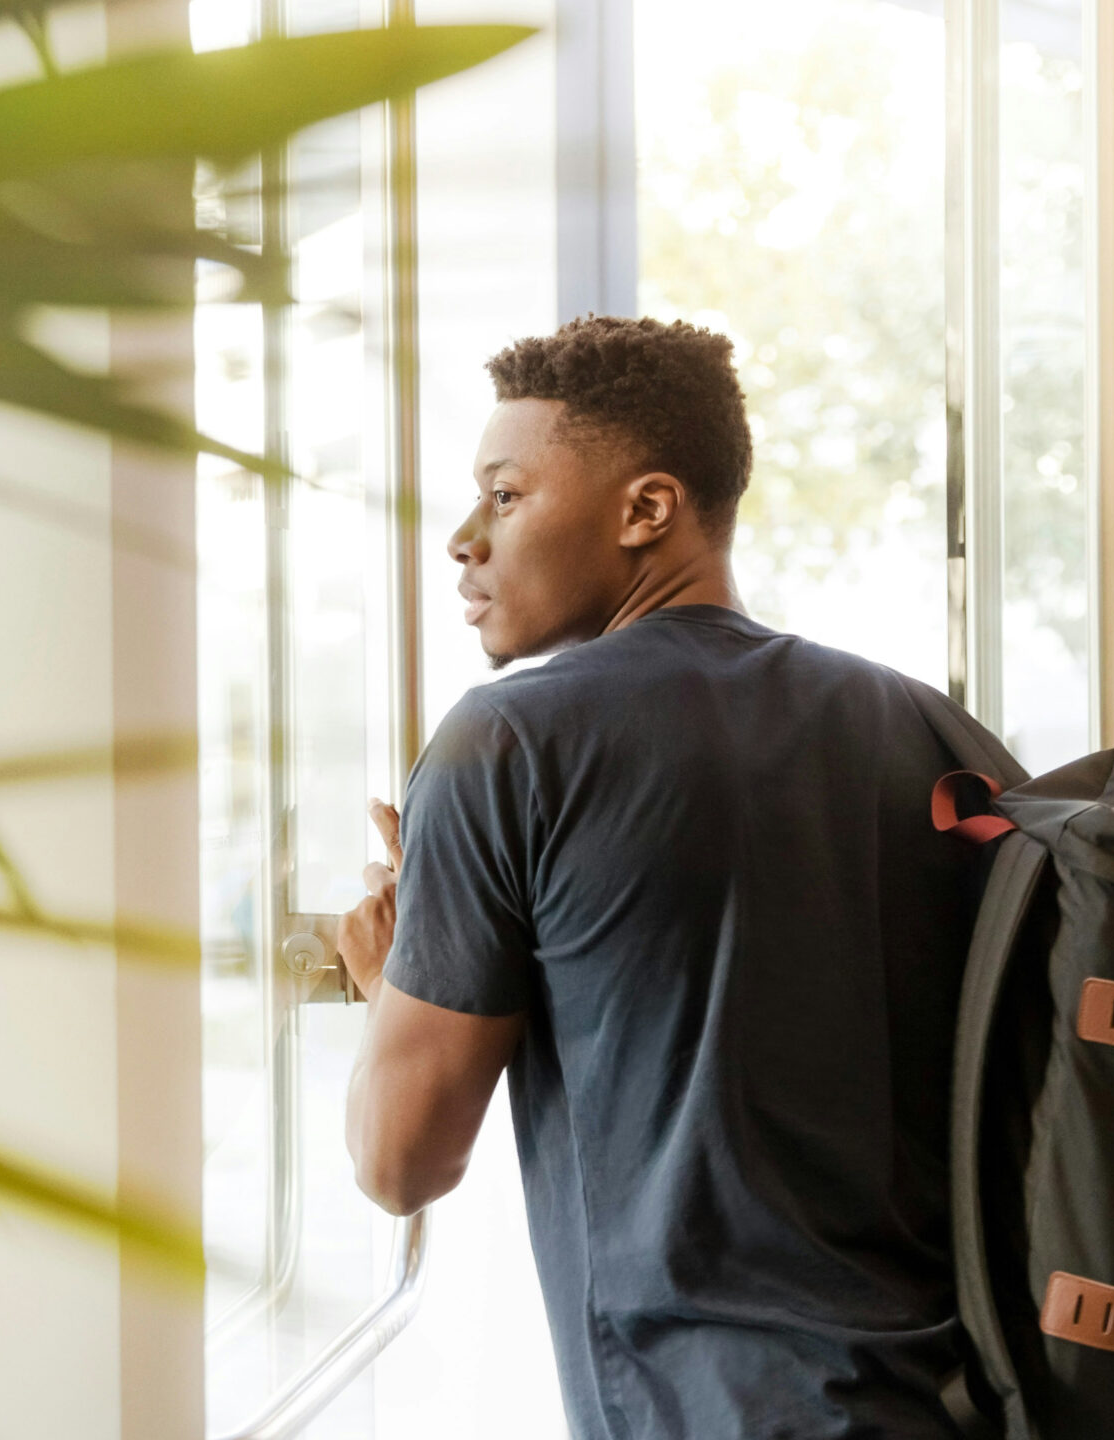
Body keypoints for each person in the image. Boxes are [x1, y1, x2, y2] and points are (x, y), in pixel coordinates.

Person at [336, 315, 976, 1438]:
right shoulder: (916, 723)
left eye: (503, 495)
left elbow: (399, 1161)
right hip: (955, 1400)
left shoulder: (508, 745)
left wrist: (397, 976)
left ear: (646, 510)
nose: (460, 540)